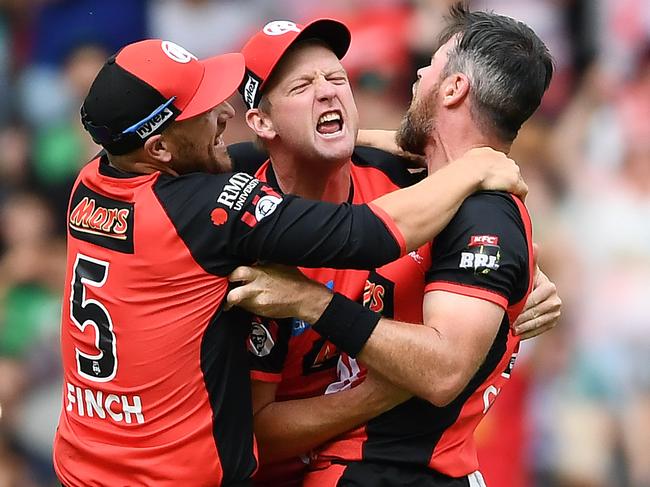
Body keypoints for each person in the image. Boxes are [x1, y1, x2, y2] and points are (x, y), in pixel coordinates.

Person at [52, 39, 527, 487]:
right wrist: (473, 165)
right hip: (169, 474)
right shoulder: (212, 209)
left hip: (83, 461)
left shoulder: (93, 180)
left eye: (336, 79)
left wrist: (517, 273)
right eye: (202, 110)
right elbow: (364, 235)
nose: (224, 113)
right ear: (160, 149)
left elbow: (238, 159)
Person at [223, 14, 560, 487]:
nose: (328, 91)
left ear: (453, 88)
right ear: (260, 121)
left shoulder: (426, 190)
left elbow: (445, 364)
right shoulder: (226, 204)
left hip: (389, 469)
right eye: (301, 87)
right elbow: (254, 434)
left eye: (337, 77)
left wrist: (521, 277)